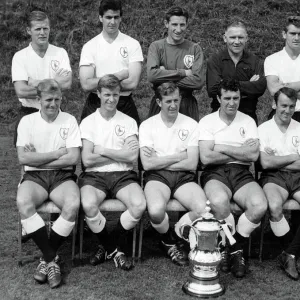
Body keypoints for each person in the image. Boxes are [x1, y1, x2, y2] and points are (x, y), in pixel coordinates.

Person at [198, 79, 267, 278]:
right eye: (227, 98)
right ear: (218, 98)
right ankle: (236, 251)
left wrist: (221, 146)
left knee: (259, 205)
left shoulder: (248, 121)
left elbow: (253, 156)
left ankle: (233, 245)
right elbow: (206, 157)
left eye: (235, 98)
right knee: (219, 202)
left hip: (242, 173)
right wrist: (240, 150)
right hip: (215, 172)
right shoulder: (207, 121)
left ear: (240, 98)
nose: (231, 102)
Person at [16, 79, 81, 288]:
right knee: (24, 202)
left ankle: (46, 259)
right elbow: (24, 159)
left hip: (62, 176)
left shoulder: (69, 120)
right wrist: (56, 153)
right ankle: (52, 258)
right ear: (38, 100)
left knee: (72, 204)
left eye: (57, 99)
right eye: (48, 100)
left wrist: (39, 157)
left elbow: (72, 159)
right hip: (35, 177)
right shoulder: (27, 122)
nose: (53, 104)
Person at [79, 74, 146, 270]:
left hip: (123, 175)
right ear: (98, 94)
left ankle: (106, 244)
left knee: (139, 204)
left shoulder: (129, 121)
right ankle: (115, 250)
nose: (111, 99)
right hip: (94, 175)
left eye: (115, 95)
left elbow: (131, 157)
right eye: (107, 94)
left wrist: (103, 150)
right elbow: (87, 159)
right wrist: (119, 153)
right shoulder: (88, 122)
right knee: (89, 204)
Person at [139, 81, 207, 266]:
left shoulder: (191, 124)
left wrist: (159, 161)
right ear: (159, 102)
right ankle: (168, 241)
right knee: (155, 210)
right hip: (157, 178)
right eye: (168, 101)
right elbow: (147, 164)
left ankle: (176, 233)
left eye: (176, 100)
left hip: (184, 178)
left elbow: (192, 163)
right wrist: (178, 156)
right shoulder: (147, 126)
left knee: (203, 208)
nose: (173, 105)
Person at [12, 10, 72, 145]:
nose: (42, 32)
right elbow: (21, 91)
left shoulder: (60, 53)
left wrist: (36, 83)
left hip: (55, 111)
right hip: (29, 112)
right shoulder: (20, 57)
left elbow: (67, 83)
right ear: (29, 30)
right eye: (38, 29)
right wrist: (54, 83)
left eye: (45, 28)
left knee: (61, 155)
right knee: (28, 161)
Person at [258, 87, 300, 280]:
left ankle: (289, 253)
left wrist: (279, 159)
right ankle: (291, 249)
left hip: (298, 177)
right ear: (275, 104)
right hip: (273, 178)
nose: (287, 110)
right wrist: (293, 156)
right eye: (283, 105)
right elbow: (265, 163)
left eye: (292, 106)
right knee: (274, 206)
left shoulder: (299, 127)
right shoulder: (263, 129)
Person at [79, 0, 143, 123]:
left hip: (124, 102)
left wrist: (100, 83)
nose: (112, 22)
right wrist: (118, 76)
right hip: (96, 102)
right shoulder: (90, 46)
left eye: (116, 17)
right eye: (108, 17)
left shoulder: (132, 44)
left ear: (120, 18)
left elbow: (132, 83)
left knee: (131, 141)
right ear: (100, 18)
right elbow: (86, 84)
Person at [147, 6, 205, 122]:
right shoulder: (156, 47)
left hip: (186, 104)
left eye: (182, 25)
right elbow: (152, 75)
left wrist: (164, 76)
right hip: (161, 102)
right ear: (166, 23)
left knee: (188, 139)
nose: (178, 29)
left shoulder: (195, 48)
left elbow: (198, 81)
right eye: (174, 24)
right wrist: (183, 72)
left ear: (186, 24)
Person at [206, 19, 266, 124]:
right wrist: (248, 85)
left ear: (246, 38)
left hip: (248, 117)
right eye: (233, 37)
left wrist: (224, 84)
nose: (237, 42)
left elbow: (260, 87)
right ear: (225, 38)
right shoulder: (215, 60)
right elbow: (212, 89)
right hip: (219, 118)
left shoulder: (255, 61)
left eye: (241, 37)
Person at [264, 16, 300, 122]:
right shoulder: (272, 60)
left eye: (299, 34)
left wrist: (285, 86)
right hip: (281, 114)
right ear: (284, 34)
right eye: (293, 33)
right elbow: (274, 90)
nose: (297, 38)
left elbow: (279, 91)